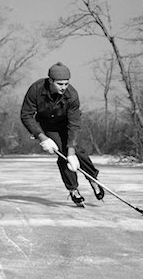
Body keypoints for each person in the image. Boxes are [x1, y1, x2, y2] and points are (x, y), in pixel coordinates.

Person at [20, 62, 104, 207]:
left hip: (66, 125)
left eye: (66, 84)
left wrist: (71, 151)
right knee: (62, 154)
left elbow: (74, 124)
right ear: (50, 81)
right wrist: (42, 137)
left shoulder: (71, 95)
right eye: (60, 84)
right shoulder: (36, 89)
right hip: (48, 127)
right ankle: (73, 189)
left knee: (76, 151)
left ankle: (92, 179)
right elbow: (26, 115)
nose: (64, 87)